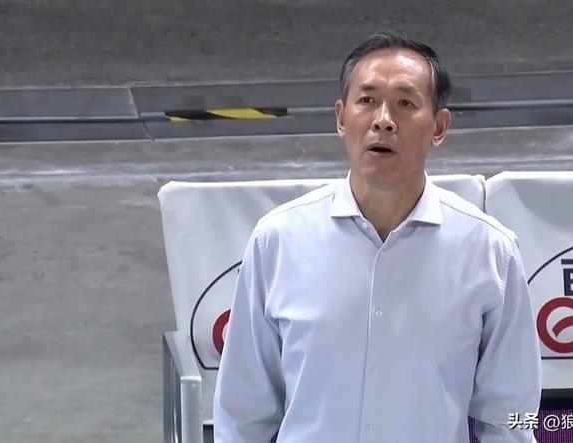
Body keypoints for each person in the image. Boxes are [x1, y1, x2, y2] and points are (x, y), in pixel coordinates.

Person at [213, 30, 542, 443]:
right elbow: (242, 415)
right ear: (341, 118)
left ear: (439, 127)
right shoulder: (277, 241)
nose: (383, 120)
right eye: (367, 100)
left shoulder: (490, 252)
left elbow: (511, 419)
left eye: (405, 103)